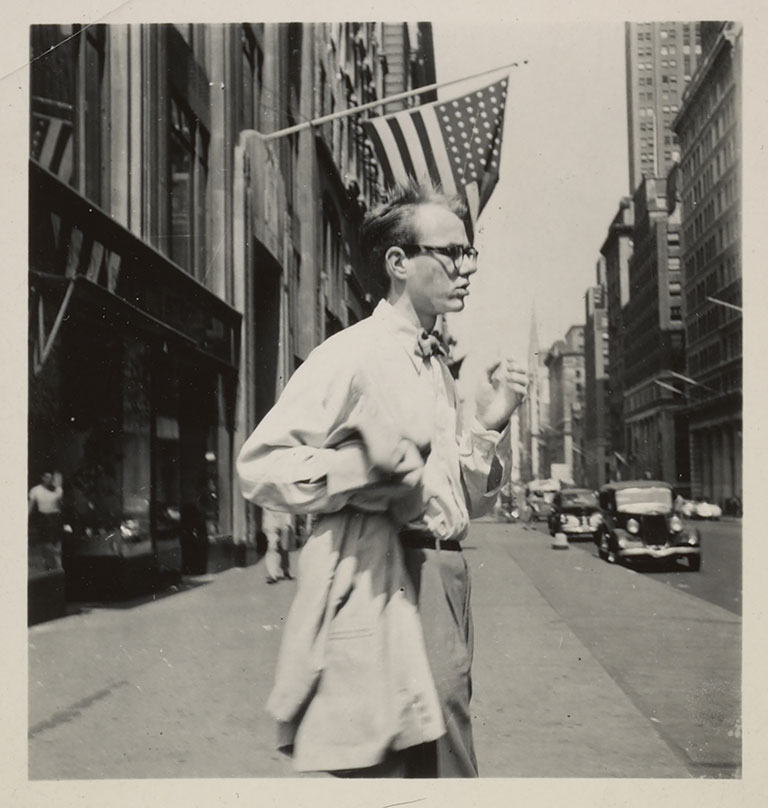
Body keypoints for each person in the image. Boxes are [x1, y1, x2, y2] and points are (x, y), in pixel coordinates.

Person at [237, 180, 527, 777]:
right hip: (393, 574)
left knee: (429, 752)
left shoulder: (433, 363)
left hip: (444, 575)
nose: (466, 267)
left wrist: (491, 422)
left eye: (469, 253)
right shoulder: (354, 354)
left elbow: (463, 499)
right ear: (398, 262)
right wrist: (357, 471)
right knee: (431, 763)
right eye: (451, 252)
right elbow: (259, 466)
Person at [28, 470, 64, 571]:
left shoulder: (58, 490)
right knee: (46, 543)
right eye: (47, 477)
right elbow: (30, 506)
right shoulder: (35, 490)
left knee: (56, 542)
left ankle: (57, 566)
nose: (50, 480)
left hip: (55, 518)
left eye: (51, 478)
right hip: (44, 518)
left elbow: (60, 505)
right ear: (42, 478)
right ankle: (48, 565)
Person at [262, 508, 293, 584]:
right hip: (271, 523)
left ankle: (286, 570)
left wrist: (288, 523)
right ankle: (273, 575)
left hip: (284, 522)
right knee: (272, 548)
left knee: (284, 548)